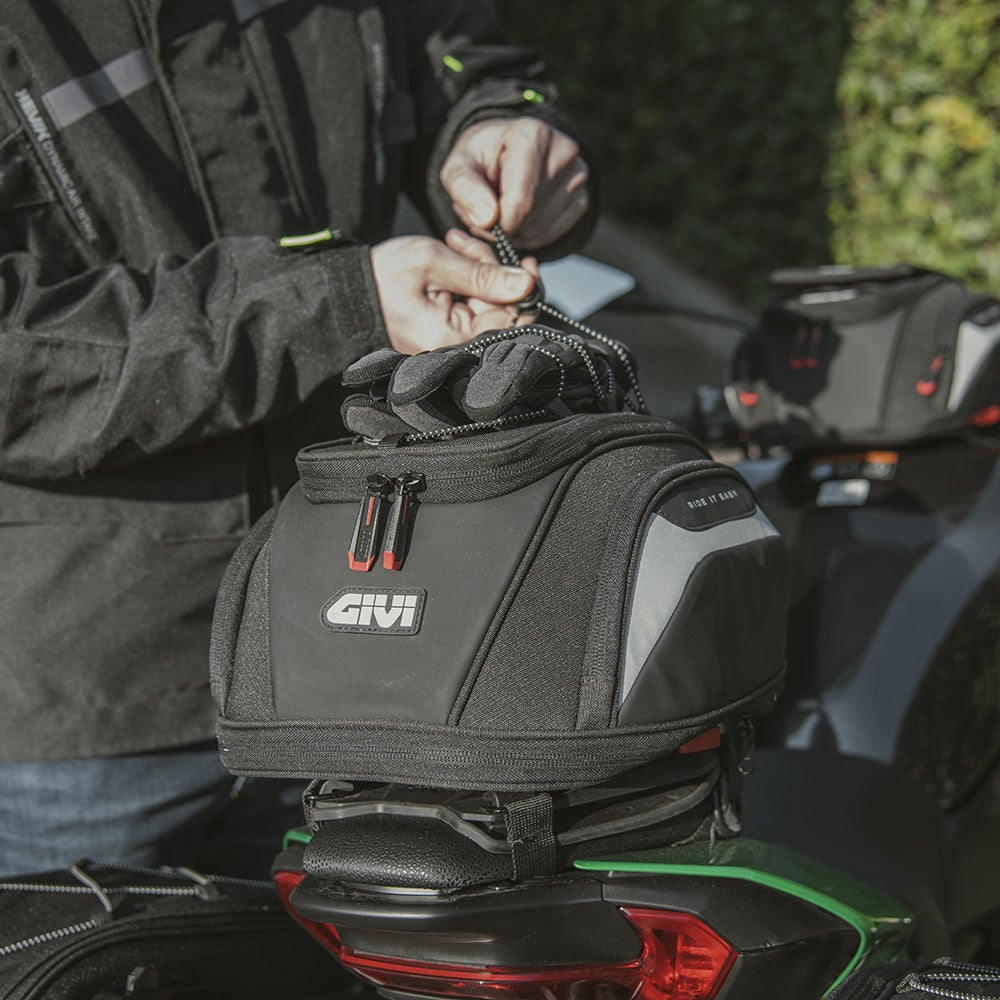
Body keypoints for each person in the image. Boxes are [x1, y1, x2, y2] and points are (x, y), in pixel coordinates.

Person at [0, 0, 595, 876]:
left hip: (379, 649)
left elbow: (459, 50)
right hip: (94, 710)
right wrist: (337, 301)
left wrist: (500, 123)